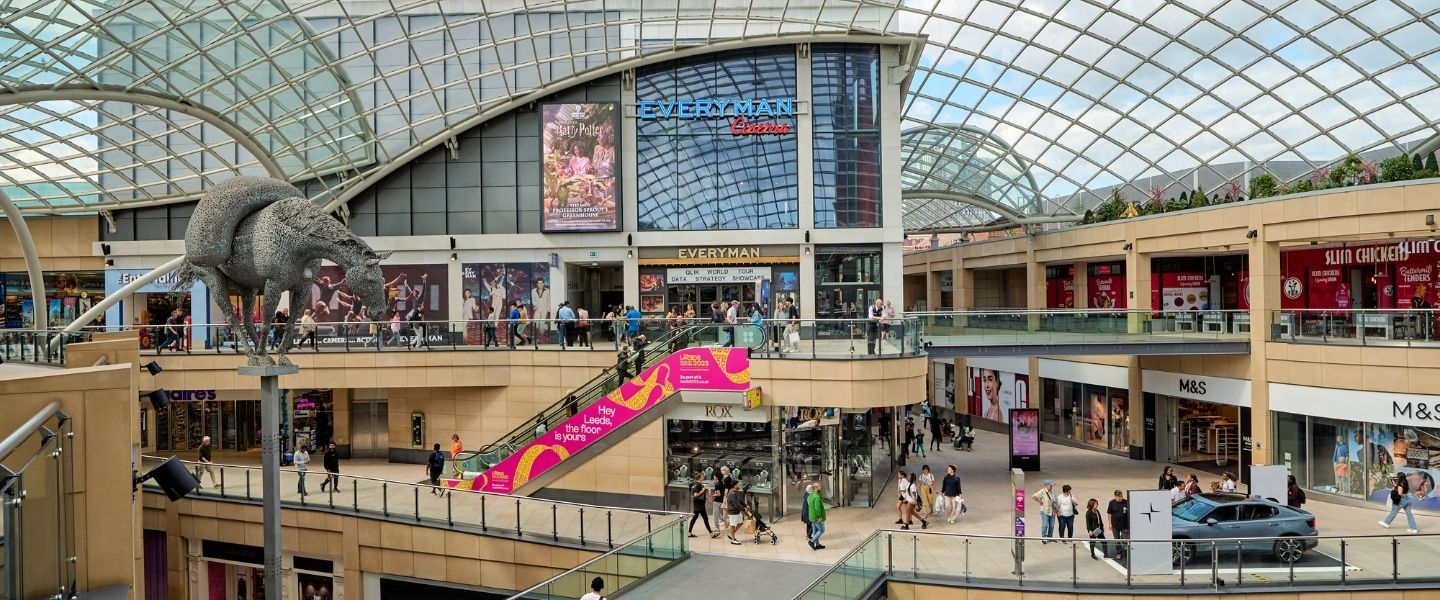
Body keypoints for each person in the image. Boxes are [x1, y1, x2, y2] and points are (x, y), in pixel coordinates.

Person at [688, 472, 717, 538]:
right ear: (699, 478)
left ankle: (689, 533)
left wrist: (707, 500)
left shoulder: (698, 484)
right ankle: (711, 534)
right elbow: (695, 495)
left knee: (694, 518)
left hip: (698, 505)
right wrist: (702, 491)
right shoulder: (698, 485)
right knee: (705, 519)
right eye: (702, 476)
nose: (703, 477)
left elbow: (701, 495)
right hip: (699, 505)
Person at [1106, 489, 1129, 559]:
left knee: (1126, 538)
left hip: (1125, 525)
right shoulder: (1112, 503)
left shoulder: (1126, 502)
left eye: (1121, 496)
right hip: (1115, 525)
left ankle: (1127, 549)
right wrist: (1110, 524)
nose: (1121, 498)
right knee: (1116, 539)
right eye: (1119, 497)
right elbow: (1109, 514)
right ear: (1115, 496)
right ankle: (1119, 552)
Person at [723, 480, 745, 545]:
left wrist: (745, 505)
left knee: (740, 522)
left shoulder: (735, 492)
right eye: (738, 484)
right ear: (735, 485)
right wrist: (744, 509)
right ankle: (733, 539)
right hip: (733, 512)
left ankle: (732, 534)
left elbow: (740, 500)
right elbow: (736, 504)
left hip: (737, 511)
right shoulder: (732, 493)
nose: (739, 485)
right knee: (732, 525)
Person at [807, 482, 827, 550]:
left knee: (815, 531)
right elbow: (817, 509)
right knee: (822, 530)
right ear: (816, 488)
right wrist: (819, 517)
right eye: (819, 487)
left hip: (812, 516)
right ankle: (812, 541)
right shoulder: (817, 497)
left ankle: (817, 544)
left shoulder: (811, 495)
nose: (820, 488)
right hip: (816, 517)